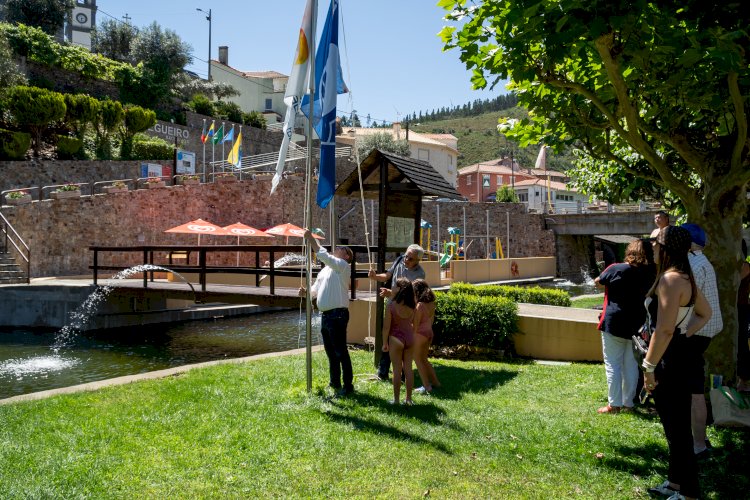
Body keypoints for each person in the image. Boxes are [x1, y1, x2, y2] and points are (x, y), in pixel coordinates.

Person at [643, 226, 712, 500]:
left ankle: (690, 493)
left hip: (668, 362)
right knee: (676, 428)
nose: (654, 248)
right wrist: (686, 332)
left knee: (677, 431)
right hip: (677, 356)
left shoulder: (671, 280)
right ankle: (675, 485)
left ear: (665, 247)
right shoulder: (686, 277)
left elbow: (664, 330)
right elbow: (704, 313)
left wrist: (648, 367)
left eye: (656, 243)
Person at [594, 239, 655, 414]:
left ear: (630, 252)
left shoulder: (616, 268)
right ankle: (629, 404)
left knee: (613, 364)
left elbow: (598, 281)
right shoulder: (651, 272)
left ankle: (614, 404)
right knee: (631, 364)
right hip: (637, 324)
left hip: (614, 322)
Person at [681, 223, 723, 459]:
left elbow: (689, 302)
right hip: (704, 331)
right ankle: (700, 438)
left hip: (696, 332)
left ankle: (698, 445)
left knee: (693, 390)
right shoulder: (701, 260)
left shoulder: (693, 264)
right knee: (694, 387)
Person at [298, 229, 355, 397]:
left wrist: (311, 239)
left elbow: (323, 255)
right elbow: (315, 290)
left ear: (346, 256)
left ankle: (347, 386)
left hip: (337, 315)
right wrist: (306, 292)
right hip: (327, 315)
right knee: (331, 353)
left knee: (340, 351)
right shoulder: (325, 271)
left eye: (342, 249)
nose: (337, 249)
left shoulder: (343, 266)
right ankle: (335, 382)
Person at [368, 244, 425, 380]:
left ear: (418, 261)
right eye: (406, 256)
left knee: (404, 341)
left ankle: (405, 375)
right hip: (392, 307)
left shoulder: (420, 274)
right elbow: (387, 276)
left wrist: (391, 294)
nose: (406, 260)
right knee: (387, 338)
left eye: (410, 259)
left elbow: (410, 295)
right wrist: (375, 276)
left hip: (406, 311)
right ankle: (383, 373)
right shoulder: (400, 259)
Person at [382, 277, 416, 405]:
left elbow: (386, 327)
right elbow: (413, 323)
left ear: (400, 289)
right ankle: (409, 399)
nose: (392, 287)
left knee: (396, 370)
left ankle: (396, 400)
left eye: (395, 286)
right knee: (408, 369)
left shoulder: (391, 305)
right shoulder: (413, 305)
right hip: (410, 338)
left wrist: (385, 343)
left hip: (396, 338)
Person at [412, 279, 441, 395]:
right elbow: (431, 321)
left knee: (418, 360)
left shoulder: (420, 305)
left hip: (420, 335)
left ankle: (427, 386)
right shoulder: (432, 303)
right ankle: (436, 383)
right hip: (429, 333)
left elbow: (415, 325)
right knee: (424, 359)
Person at [737, 239, 750, 392]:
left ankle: (744, 380)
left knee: (741, 344)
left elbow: (735, 281)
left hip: (741, 309)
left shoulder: (745, 266)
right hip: (736, 309)